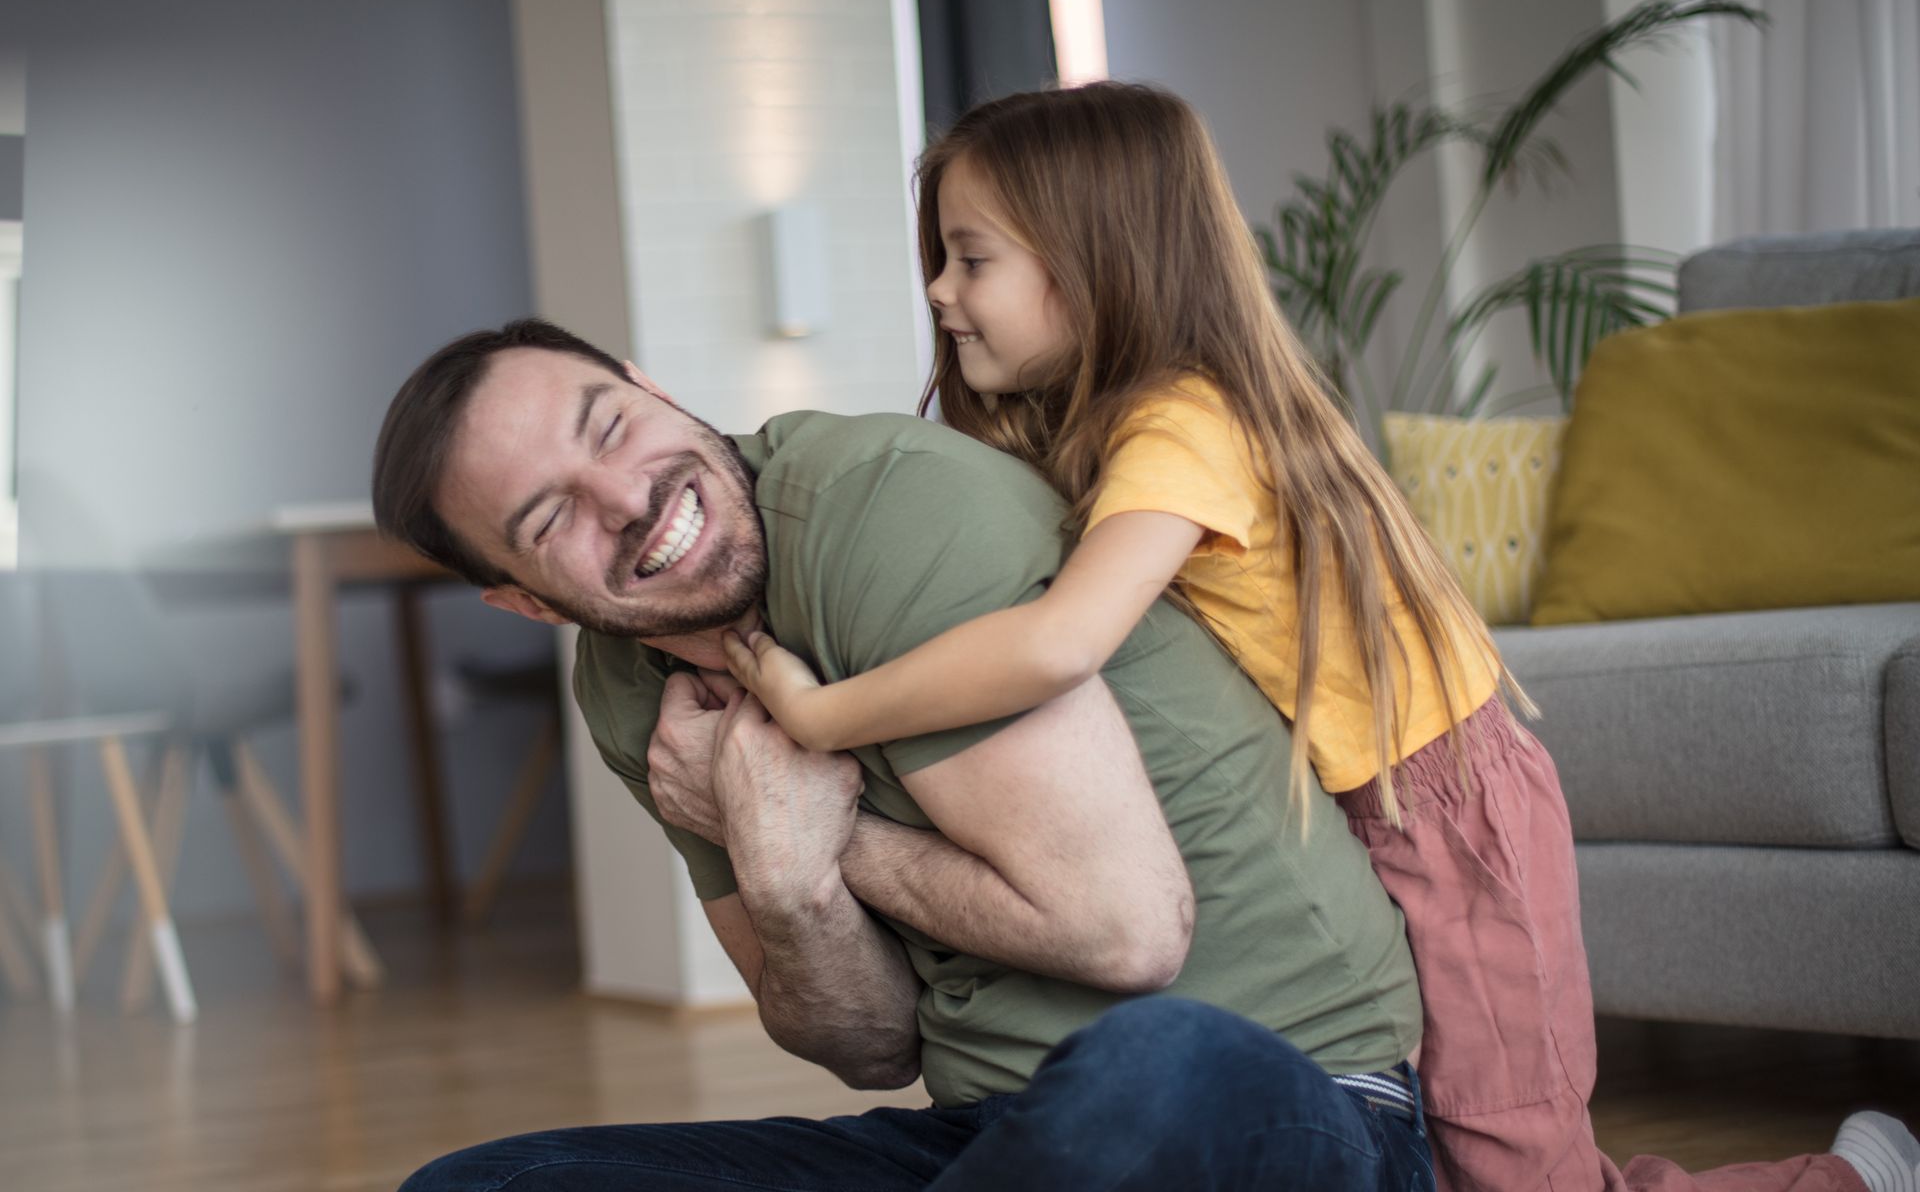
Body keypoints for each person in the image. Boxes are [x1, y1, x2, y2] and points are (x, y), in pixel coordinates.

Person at [717, 82, 1911, 1192]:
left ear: (1093, 263)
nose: (938, 290)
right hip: (1351, 806)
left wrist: (822, 714)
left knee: (1523, 1173)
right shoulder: (1116, 430)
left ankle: (1854, 1179)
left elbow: (1056, 643)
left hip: (1446, 809)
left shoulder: (1183, 425)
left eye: (970, 259)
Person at [371, 320, 1435, 1190]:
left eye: (609, 426)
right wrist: (789, 887)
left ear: (649, 384)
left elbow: (1128, 934)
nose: (628, 499)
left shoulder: (885, 506)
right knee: (480, 1188)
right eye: (553, 516)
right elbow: (869, 1046)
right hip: (988, 1141)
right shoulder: (626, 689)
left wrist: (799, 826)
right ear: (520, 600)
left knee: (1147, 1066)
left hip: (1285, 1099)